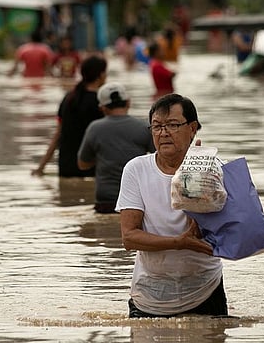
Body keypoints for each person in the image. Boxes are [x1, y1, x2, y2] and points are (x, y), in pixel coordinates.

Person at [115, 93, 228, 318]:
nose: (163, 133)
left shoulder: (214, 167)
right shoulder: (136, 170)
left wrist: (197, 176)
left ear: (192, 128)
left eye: (173, 125)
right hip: (149, 297)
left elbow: (232, 229)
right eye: (156, 126)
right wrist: (178, 243)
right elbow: (129, 238)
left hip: (205, 291)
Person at [77, 82, 155, 214]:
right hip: (136, 200)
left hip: (106, 200)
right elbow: (159, 160)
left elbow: (82, 164)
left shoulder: (94, 129)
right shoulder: (144, 127)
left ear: (102, 108)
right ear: (128, 102)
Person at [31, 55, 107, 177]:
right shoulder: (101, 103)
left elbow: (58, 135)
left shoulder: (69, 98)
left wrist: (41, 167)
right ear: (101, 75)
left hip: (66, 166)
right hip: (91, 168)